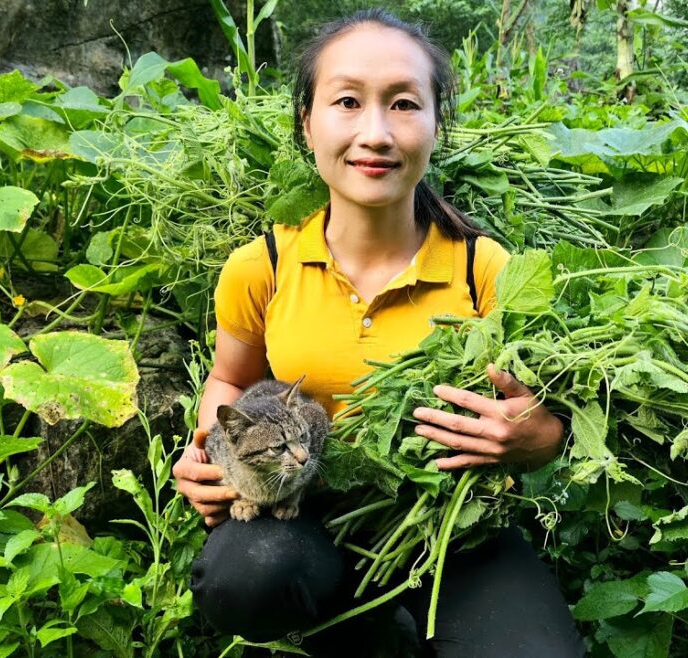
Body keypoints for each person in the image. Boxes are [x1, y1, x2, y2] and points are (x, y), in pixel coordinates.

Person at [172, 9, 583, 657]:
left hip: (452, 526)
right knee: (244, 581)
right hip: (301, 513)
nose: (376, 132)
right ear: (307, 124)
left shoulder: (488, 270)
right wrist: (206, 453)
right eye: (346, 101)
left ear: (436, 125)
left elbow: (544, 412)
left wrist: (538, 439)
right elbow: (230, 379)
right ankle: (349, 622)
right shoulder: (264, 266)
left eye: (403, 104)